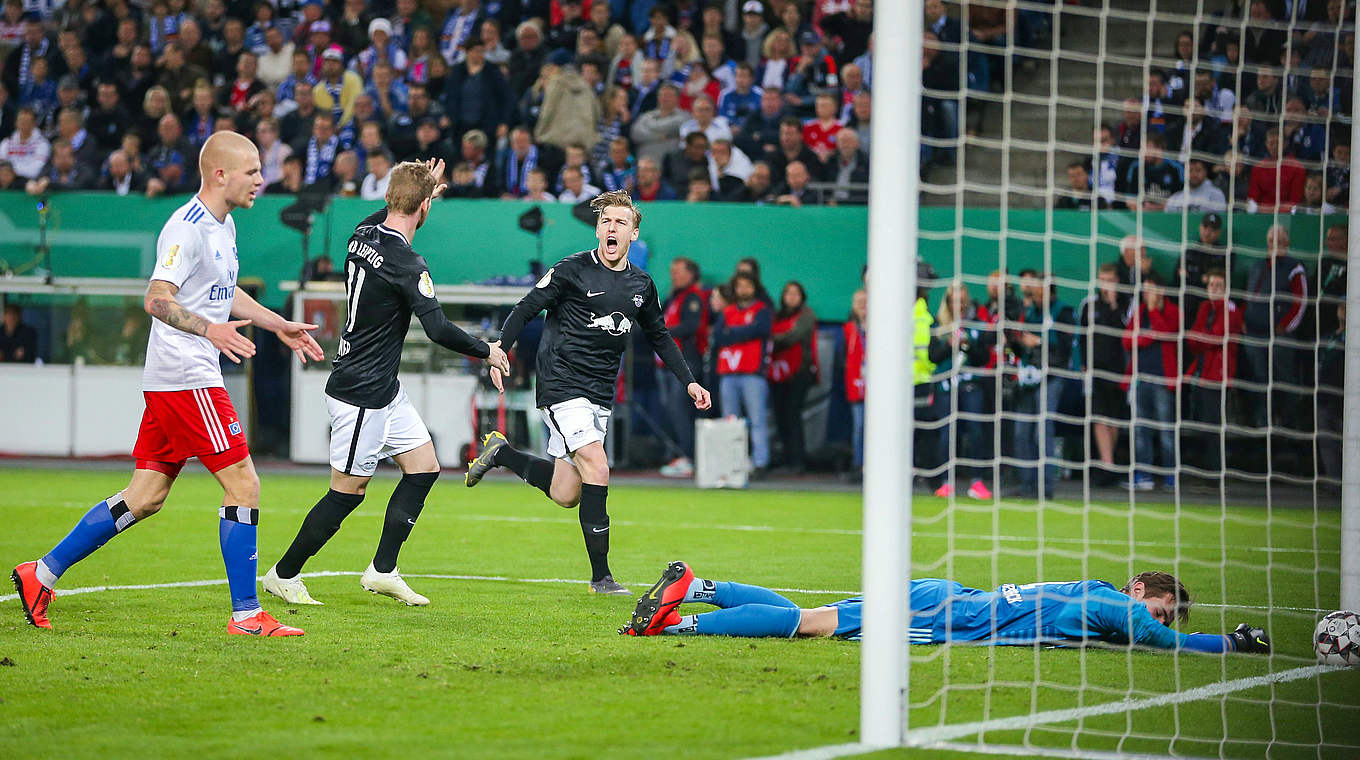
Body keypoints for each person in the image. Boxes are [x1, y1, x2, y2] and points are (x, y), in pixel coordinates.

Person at [11, 132, 325, 635]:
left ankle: (40, 573)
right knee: (244, 484)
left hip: (174, 377)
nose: (262, 180)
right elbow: (157, 299)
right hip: (187, 375)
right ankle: (247, 614)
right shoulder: (186, 228)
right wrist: (209, 328)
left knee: (146, 495)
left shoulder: (224, 228)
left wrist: (274, 323)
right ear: (220, 174)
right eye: (253, 171)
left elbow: (222, 291)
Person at [263, 160, 508, 607]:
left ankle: (382, 570)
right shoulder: (408, 263)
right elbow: (436, 330)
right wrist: (487, 350)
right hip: (362, 392)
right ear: (426, 208)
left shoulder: (362, 235)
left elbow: (395, 209)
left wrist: (420, 188)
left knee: (424, 468)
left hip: (382, 387)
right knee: (348, 493)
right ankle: (283, 573)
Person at [463, 191, 712, 595]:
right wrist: (498, 351)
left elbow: (660, 336)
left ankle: (501, 453)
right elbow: (526, 307)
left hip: (598, 392)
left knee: (567, 493)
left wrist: (690, 381)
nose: (611, 228)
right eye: (606, 222)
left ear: (634, 233)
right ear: (598, 229)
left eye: (620, 223)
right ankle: (602, 578)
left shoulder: (642, 285)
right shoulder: (571, 270)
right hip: (561, 383)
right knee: (598, 466)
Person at [620, 561, 1271, 657]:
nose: (1162, 619)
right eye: (1163, 606)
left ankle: (704, 586)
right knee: (814, 625)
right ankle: (680, 621)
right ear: (1141, 593)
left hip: (946, 596)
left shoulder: (1091, 590)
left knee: (821, 612)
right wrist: (1231, 644)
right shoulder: (1115, 608)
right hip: (951, 615)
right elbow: (1167, 645)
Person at [712, 270, 773, 478]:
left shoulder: (761, 310)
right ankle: (733, 462)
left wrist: (734, 333)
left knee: (757, 420)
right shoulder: (728, 312)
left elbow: (761, 330)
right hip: (728, 373)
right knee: (731, 421)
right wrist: (745, 331)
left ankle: (760, 463)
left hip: (752, 372)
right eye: (740, 286)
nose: (743, 290)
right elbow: (719, 336)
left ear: (754, 288)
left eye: (747, 285)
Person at [1123, 274, 1180, 491]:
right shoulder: (1139, 312)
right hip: (1140, 379)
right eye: (1145, 290)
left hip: (1163, 381)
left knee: (1167, 431)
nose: (1147, 294)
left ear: (1161, 291)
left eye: (1151, 290)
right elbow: (1127, 340)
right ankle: (1143, 476)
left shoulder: (1173, 311)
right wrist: (1147, 336)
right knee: (1140, 431)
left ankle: (1171, 477)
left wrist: (1154, 312)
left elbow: (1167, 334)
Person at [1184, 268, 1241, 475]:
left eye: (1219, 286)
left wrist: (1200, 337)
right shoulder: (1204, 307)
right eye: (1212, 285)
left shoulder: (1231, 310)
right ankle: (1208, 469)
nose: (1214, 289)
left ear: (1226, 289)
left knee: (1214, 424)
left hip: (1218, 374)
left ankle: (1217, 472)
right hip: (1201, 372)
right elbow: (1193, 341)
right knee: (1203, 422)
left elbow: (1217, 337)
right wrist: (1201, 337)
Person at [657, 256, 708, 479]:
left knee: (679, 409)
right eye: (672, 271)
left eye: (678, 271)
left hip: (685, 362)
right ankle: (675, 454)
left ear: (690, 274)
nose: (673, 275)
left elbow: (690, 327)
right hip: (665, 364)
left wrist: (662, 335)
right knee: (670, 410)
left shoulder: (693, 297)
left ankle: (688, 457)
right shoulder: (674, 298)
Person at [1079, 263, 1129, 486]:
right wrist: (1083, 363)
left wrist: (1113, 304)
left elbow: (1127, 333)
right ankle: (1107, 464)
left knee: (1114, 418)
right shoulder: (1089, 305)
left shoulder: (1126, 305)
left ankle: (1110, 463)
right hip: (1095, 369)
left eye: (1110, 280)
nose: (1106, 284)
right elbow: (1082, 336)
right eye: (1103, 280)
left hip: (1119, 369)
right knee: (1098, 416)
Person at [768, 281, 816, 473]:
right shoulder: (777, 316)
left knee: (792, 415)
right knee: (780, 416)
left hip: (799, 373)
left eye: (795, 294)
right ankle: (786, 458)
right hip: (778, 373)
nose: (791, 297)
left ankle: (797, 461)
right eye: (788, 293)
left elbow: (793, 336)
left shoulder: (806, 315)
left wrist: (770, 339)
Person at [843, 288, 867, 481]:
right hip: (856, 384)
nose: (862, 306)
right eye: (858, 302)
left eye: (865, 302)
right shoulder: (849, 329)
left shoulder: (882, 328)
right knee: (859, 427)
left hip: (878, 387)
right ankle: (858, 465)